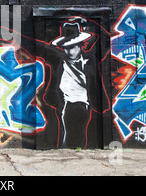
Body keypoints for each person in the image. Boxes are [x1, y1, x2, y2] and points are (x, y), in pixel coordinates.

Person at [37, 17, 101, 148]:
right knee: (67, 138)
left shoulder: (90, 62)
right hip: (65, 106)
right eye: (66, 48)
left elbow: (95, 86)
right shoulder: (60, 62)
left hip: (83, 105)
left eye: (72, 47)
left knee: (77, 137)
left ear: (80, 46)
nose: (69, 51)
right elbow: (39, 44)